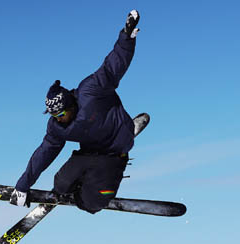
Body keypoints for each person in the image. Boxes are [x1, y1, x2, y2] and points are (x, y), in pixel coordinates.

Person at [11, 9, 147, 214]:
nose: (59, 119)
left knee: (93, 202)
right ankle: (77, 188)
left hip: (113, 151)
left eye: (61, 114)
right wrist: (22, 186)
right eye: (54, 116)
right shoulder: (57, 127)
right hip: (90, 150)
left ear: (71, 104)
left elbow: (113, 66)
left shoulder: (91, 91)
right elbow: (44, 154)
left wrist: (126, 37)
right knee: (61, 183)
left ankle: (128, 130)